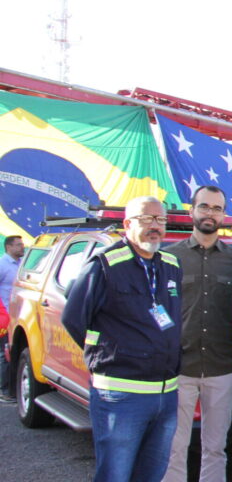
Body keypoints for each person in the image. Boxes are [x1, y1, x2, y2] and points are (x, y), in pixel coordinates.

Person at [62, 196, 183, 482]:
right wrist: (111, 352)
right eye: (147, 219)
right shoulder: (106, 265)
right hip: (121, 394)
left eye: (161, 219)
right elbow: (73, 318)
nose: (155, 226)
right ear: (128, 224)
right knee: (115, 476)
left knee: (152, 475)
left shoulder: (171, 264)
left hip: (165, 393)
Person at [164, 186, 232, 482]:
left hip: (223, 367)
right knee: (174, 446)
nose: (210, 214)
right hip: (178, 367)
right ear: (192, 211)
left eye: (216, 208)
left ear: (223, 215)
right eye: (204, 207)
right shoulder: (167, 258)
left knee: (215, 447)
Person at [0, 234, 25, 402]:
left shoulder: (22, 264)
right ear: (9, 247)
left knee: (15, 353)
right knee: (4, 354)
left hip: (21, 317)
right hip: (5, 316)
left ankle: (13, 389)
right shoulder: (2, 265)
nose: (22, 247)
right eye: (18, 245)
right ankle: (5, 391)